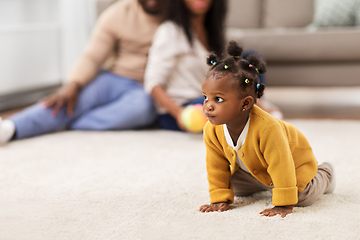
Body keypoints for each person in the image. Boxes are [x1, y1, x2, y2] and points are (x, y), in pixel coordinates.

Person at [199, 41, 335, 218]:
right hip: (254, 170)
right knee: (231, 185)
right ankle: (268, 185)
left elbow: (281, 164)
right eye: (205, 98)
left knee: (301, 197)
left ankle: (325, 173)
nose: (207, 106)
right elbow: (216, 166)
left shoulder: (268, 128)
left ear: (246, 103)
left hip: (292, 165)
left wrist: (283, 203)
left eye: (217, 99)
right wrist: (218, 198)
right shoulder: (211, 130)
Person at [0, 0, 165, 144]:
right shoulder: (117, 14)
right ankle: (11, 128)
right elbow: (92, 57)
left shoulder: (178, 16)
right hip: (114, 78)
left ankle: (74, 123)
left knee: (144, 107)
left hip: (146, 88)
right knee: (65, 102)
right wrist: (73, 84)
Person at [144, 0, 227, 131]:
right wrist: (180, 113)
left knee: (251, 61)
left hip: (211, 100)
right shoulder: (169, 31)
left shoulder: (212, 33)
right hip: (183, 108)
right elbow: (153, 84)